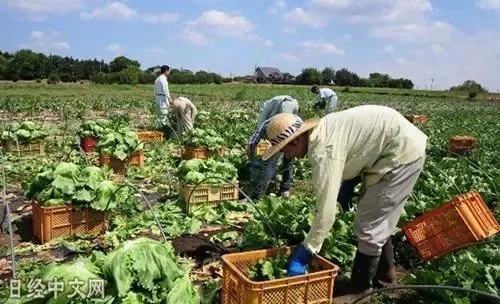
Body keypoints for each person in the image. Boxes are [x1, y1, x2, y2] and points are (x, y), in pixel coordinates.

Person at [261, 105, 427, 301]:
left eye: (284, 150)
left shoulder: (323, 151)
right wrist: (350, 181)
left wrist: (307, 250)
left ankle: (359, 290)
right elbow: (357, 144)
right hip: (390, 147)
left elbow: (326, 212)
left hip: (401, 153)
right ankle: (386, 275)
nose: (286, 156)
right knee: (376, 216)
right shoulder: (323, 131)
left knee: (369, 225)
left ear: (296, 140)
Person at [247, 95, 299, 199]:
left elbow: (260, 129)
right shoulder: (294, 118)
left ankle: (257, 195)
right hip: (293, 127)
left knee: (270, 163)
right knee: (288, 159)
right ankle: (285, 189)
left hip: (285, 121)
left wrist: (251, 149)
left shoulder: (268, 119)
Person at [154, 65, 172, 136]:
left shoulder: (157, 79)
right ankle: (162, 131)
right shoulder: (163, 79)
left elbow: (155, 90)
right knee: (164, 114)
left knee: (159, 114)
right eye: (169, 71)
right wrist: (169, 98)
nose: (169, 73)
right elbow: (165, 90)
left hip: (158, 97)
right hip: (163, 98)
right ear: (166, 71)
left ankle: (158, 129)